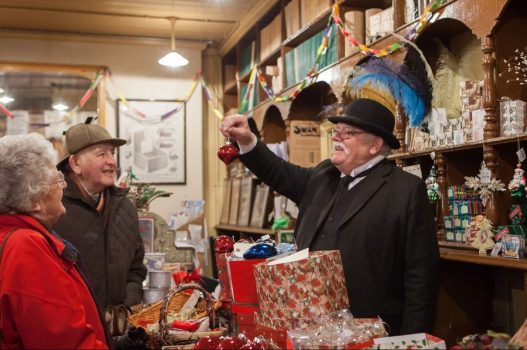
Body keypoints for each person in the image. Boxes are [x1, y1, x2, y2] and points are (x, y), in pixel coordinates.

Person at [220, 98, 440, 335]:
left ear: (375, 145)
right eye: (336, 131)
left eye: (347, 133)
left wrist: (414, 340)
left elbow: (422, 277)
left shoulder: (405, 189)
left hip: (373, 329)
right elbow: (277, 172)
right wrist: (247, 139)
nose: (336, 137)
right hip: (310, 327)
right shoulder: (323, 174)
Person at [0, 133, 111, 348]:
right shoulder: (26, 247)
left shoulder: (14, 235)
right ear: (34, 202)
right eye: (57, 180)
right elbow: (64, 340)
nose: (64, 186)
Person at [53, 122, 147, 319]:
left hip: (120, 331)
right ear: (75, 163)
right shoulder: (53, 208)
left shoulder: (126, 207)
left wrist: (125, 306)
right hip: (74, 330)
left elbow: (136, 269)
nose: (111, 161)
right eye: (101, 154)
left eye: (112, 153)